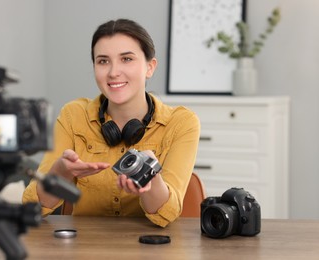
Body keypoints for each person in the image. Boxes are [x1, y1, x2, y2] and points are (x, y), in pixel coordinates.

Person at [22, 18, 200, 228]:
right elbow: (32, 207)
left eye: (126, 59)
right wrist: (59, 174)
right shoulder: (73, 116)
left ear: (150, 67)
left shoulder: (181, 123)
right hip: (86, 247)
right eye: (103, 61)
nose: (113, 72)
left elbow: (166, 215)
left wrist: (151, 180)